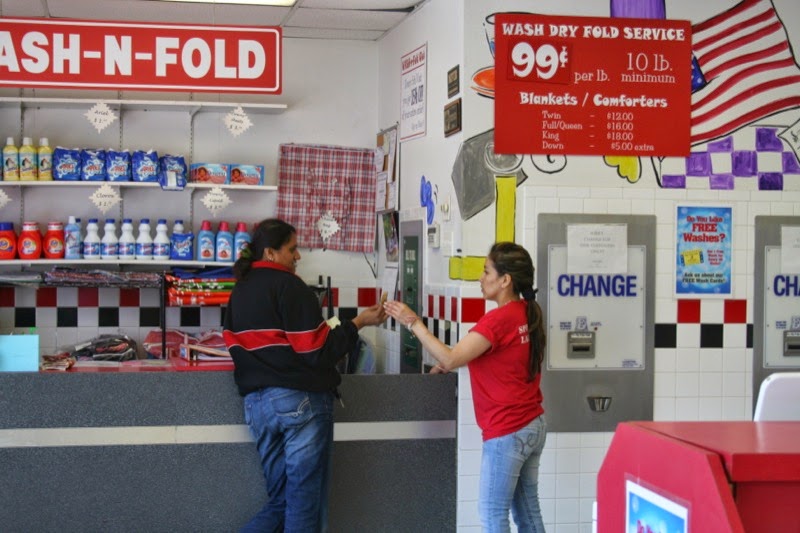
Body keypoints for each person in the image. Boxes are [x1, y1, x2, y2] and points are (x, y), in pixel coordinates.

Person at [223, 218, 387, 533]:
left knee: (283, 502)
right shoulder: (289, 286)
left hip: (257, 406)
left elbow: (239, 343)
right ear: (270, 253)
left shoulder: (239, 291)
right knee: (302, 509)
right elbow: (316, 352)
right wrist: (358, 323)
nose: (298, 257)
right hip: (298, 402)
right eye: (293, 249)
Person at [384, 242, 547, 532]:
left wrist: (413, 322)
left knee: (492, 515)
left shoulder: (497, 320)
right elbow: (497, 358)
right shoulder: (527, 312)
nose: (480, 279)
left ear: (505, 280)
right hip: (532, 424)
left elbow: (451, 355)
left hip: (507, 430)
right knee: (528, 515)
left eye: (486, 272)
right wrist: (448, 364)